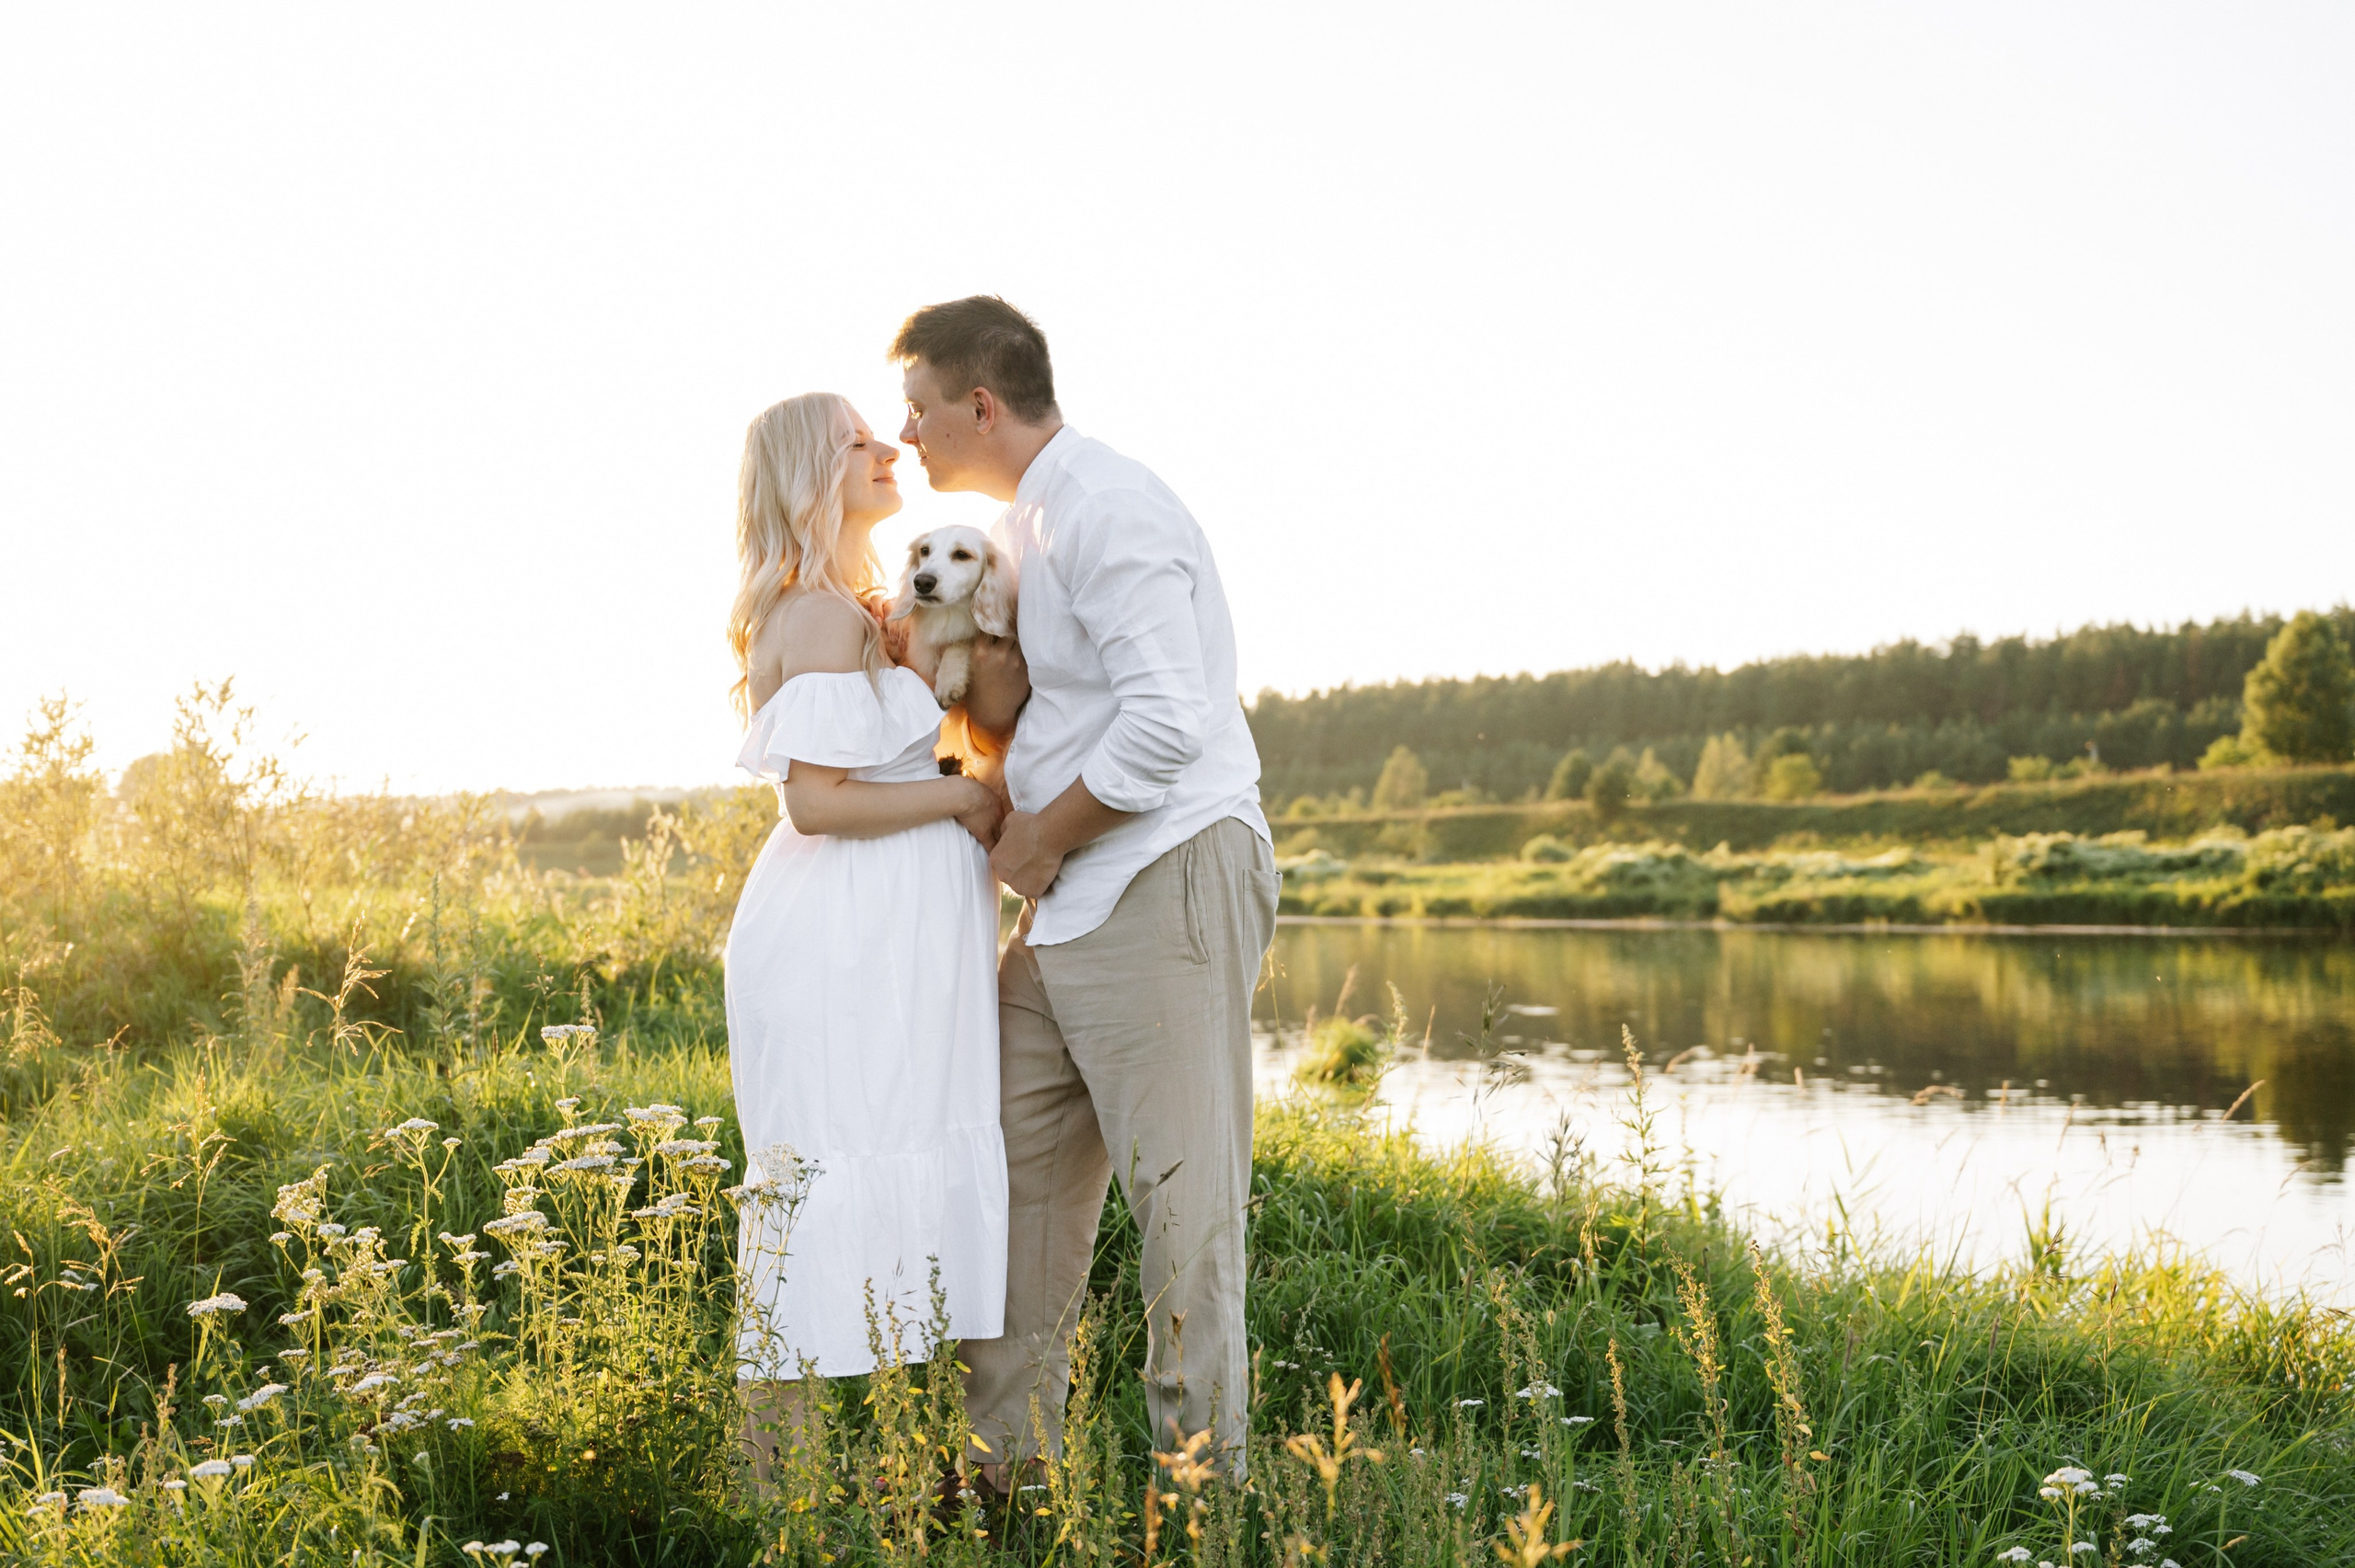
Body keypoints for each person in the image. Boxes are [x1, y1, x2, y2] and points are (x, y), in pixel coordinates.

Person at [891, 296, 1279, 1480]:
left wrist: (1037, 839)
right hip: (1063, 911)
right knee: (1002, 1180)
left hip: (1161, 882)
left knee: (1184, 1211)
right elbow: (1067, 706)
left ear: (980, 404)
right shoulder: (1031, 528)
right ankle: (1003, 1476)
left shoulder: (1106, 507)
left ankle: (1200, 1503)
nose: (905, 436)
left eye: (916, 410)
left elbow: (1168, 721)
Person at [721, 391, 1016, 1479]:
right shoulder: (814, 613)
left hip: (890, 945)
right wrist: (963, 803)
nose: (889, 447)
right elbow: (819, 803)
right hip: (840, 943)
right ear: (811, 476)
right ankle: (779, 1496)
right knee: (822, 1187)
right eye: (858, 441)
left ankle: (882, 1476)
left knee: (885, 1178)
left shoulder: (860, 606)